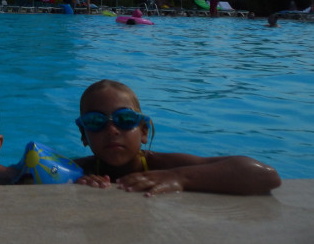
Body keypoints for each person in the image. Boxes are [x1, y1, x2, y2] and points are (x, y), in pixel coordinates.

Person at [73, 79, 281, 196]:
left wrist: (179, 177)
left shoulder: (164, 165)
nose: (111, 130)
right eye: (95, 121)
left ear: (144, 131)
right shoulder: (80, 169)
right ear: (84, 135)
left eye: (125, 119)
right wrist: (73, 179)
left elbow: (266, 176)